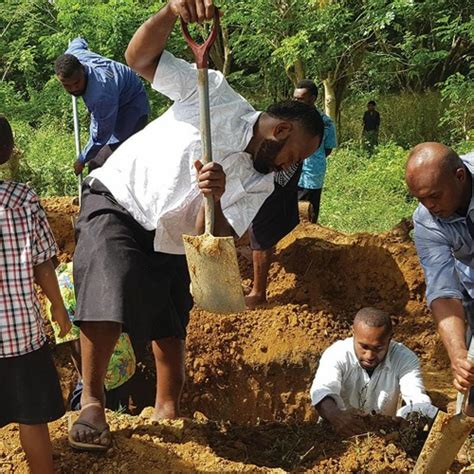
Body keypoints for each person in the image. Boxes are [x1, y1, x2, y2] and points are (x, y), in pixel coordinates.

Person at [68, 0, 324, 451]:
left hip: (172, 238)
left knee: (170, 321)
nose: (292, 168)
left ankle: (169, 412)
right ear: (281, 131)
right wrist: (170, 12)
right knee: (110, 282)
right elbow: (139, 59)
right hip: (121, 199)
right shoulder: (213, 92)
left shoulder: (262, 181)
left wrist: (217, 201)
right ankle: (92, 403)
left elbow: (228, 240)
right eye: (296, 156)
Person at [0, 115, 72, 473]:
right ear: (9, 151)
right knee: (32, 417)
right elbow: (44, 263)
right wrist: (57, 307)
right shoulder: (23, 198)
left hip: (19, 335)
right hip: (21, 336)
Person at [405, 143, 474, 415]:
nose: (430, 206)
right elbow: (443, 292)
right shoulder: (427, 221)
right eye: (421, 199)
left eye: (434, 196)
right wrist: (458, 356)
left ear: (460, 176)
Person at [311, 307, 437, 438]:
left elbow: (417, 398)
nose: (370, 355)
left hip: (383, 440)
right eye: (364, 347)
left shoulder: (405, 358)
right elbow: (322, 390)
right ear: (353, 333)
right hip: (335, 436)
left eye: (378, 348)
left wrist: (411, 419)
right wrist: (336, 416)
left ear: (390, 339)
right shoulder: (336, 354)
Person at [46, 261, 136, 412]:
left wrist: (86, 381)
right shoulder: (85, 267)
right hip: (125, 362)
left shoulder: (58, 292)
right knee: (119, 412)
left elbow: (76, 345)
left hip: (103, 371)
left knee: (86, 413)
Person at [55, 38, 150, 175]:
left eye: (77, 83)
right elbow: (79, 42)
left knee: (101, 165)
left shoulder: (100, 94)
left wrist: (82, 159)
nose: (74, 89)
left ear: (83, 69)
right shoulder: (74, 53)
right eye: (67, 85)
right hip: (115, 101)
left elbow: (100, 135)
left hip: (132, 110)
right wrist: (80, 39)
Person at [245, 164, 302, 308]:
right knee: (259, 219)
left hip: (277, 169)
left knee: (261, 225)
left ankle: (258, 295)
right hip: (272, 167)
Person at [294, 79, 337, 223]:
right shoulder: (288, 120)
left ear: (312, 99)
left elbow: (328, 149)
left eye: (301, 99)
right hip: (289, 174)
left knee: (308, 214)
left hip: (312, 173)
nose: (296, 102)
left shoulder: (326, 123)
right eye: (295, 98)